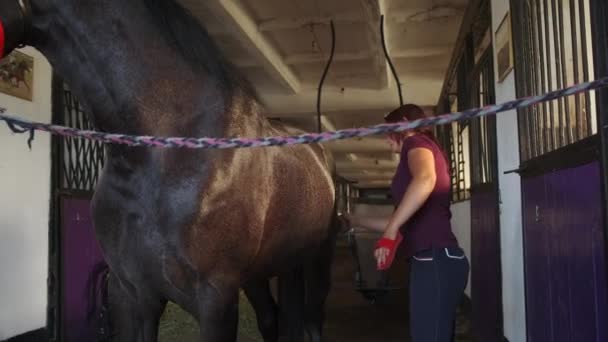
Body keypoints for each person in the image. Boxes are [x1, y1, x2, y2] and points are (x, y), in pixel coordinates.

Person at [344, 103, 469, 342]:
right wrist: (353, 219)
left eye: (387, 132)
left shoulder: (415, 142)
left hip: (434, 260)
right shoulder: (424, 149)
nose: (385, 141)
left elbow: (425, 179)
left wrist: (389, 234)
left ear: (402, 124)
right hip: (438, 260)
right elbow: (399, 220)